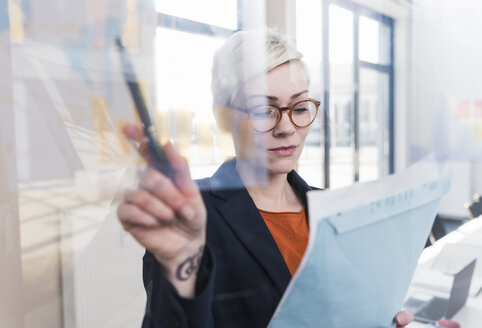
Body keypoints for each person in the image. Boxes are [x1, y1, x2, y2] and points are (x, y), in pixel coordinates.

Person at [117, 29, 413, 327]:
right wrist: (182, 262)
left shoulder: (332, 210)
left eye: (299, 107)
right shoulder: (191, 218)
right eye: (263, 110)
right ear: (223, 118)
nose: (287, 127)